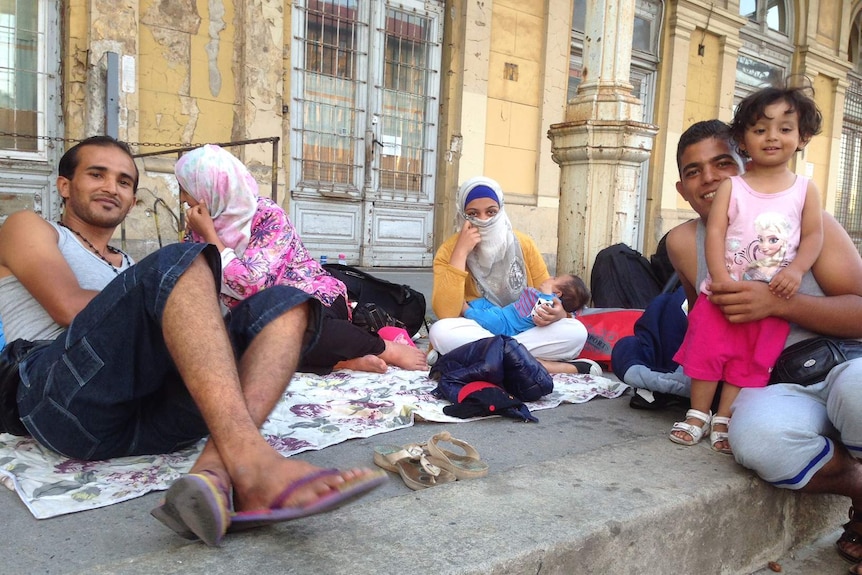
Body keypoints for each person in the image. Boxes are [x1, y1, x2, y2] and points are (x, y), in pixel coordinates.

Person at [0, 136, 385, 547]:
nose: (112, 187)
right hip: (57, 398)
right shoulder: (29, 227)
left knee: (288, 303)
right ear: (64, 185)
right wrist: (175, 299)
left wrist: (199, 318)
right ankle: (253, 464)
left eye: (125, 181)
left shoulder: (128, 265)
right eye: (97, 174)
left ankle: (216, 471)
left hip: (148, 415)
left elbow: (179, 320)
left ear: (133, 200)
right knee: (181, 264)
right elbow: (69, 308)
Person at [657, 120, 862, 574]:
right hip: (774, 386)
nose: (709, 178)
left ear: (747, 163)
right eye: (694, 171)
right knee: (758, 443)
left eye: (723, 163)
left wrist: (778, 304)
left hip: (844, 362)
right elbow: (711, 332)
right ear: (682, 188)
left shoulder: (811, 223)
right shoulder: (682, 242)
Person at [175, 144, 426, 374]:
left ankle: (385, 348)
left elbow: (251, 284)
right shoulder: (197, 228)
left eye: (186, 190)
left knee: (302, 332)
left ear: (210, 188)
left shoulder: (266, 215)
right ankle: (342, 362)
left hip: (311, 299)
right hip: (256, 318)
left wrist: (210, 236)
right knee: (232, 349)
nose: (183, 199)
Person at [670, 86, 824, 454]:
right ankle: (697, 413)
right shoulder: (733, 188)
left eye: (785, 129)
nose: (772, 137)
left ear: (802, 138)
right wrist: (720, 278)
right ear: (744, 139)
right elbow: (718, 233)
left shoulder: (805, 190)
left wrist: (798, 269)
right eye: (760, 130)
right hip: (723, 294)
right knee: (706, 353)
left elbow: (814, 236)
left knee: (751, 363)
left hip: (775, 299)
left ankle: (724, 417)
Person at [428, 176, 590, 374]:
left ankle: (487, 359)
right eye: (473, 214)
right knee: (441, 331)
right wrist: (461, 253)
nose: (484, 220)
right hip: (479, 329)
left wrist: (559, 314)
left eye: (491, 212)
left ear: (501, 210)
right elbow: (446, 312)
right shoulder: (449, 250)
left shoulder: (523, 244)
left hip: (521, 330)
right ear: (463, 215)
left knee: (576, 332)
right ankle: (538, 364)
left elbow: (547, 291)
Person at [461, 273, 589, 337]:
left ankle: (465, 310)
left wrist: (547, 295)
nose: (550, 276)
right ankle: (468, 306)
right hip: (502, 312)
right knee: (485, 303)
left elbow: (538, 315)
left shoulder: (550, 302)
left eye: (554, 279)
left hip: (507, 327)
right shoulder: (543, 296)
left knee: (489, 319)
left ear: (557, 293)